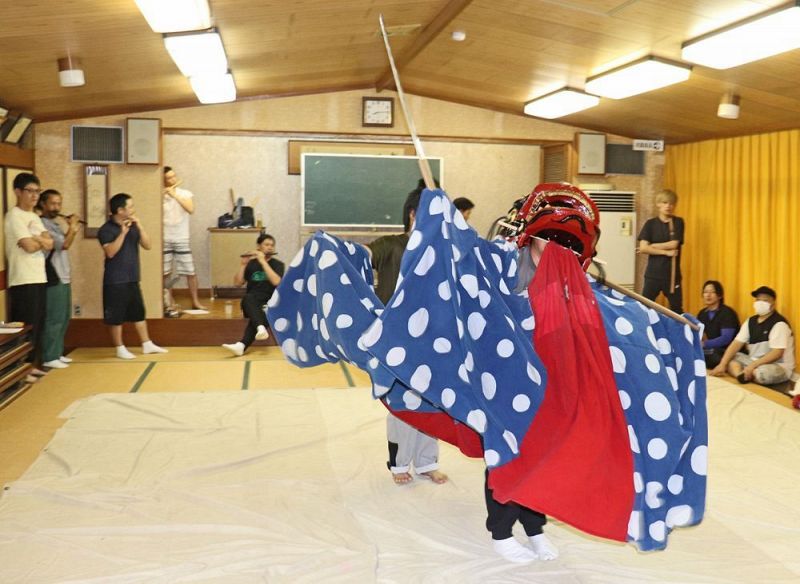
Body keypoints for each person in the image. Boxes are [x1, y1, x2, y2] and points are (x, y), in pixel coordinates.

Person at [366, 180, 448, 486]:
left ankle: (428, 462)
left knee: (433, 402)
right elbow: (363, 255)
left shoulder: (440, 251)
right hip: (397, 340)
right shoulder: (391, 245)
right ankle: (399, 466)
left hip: (434, 337)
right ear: (413, 214)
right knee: (401, 403)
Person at [98, 193, 168, 359]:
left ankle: (146, 343)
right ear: (120, 210)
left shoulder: (133, 226)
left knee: (138, 312)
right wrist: (122, 233)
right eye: (130, 206)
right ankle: (120, 347)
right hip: (115, 280)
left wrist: (140, 225)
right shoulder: (106, 230)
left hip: (132, 277)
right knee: (116, 316)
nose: (133, 209)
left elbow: (148, 245)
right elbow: (110, 252)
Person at [4, 173, 53, 381]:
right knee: (26, 324)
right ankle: (21, 368)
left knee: (39, 323)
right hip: (23, 279)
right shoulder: (14, 216)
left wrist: (39, 240)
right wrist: (38, 240)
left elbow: (49, 243)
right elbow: (29, 246)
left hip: (39, 276)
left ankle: (33, 365)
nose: (34, 196)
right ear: (17, 192)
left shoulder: (34, 217)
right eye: (30, 191)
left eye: (37, 191)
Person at [710, 286, 795, 386]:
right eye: (758, 300)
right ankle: (741, 376)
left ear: (773, 304)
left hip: (777, 365)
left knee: (762, 373)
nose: (760, 303)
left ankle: (747, 373)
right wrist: (722, 364)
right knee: (728, 358)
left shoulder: (779, 323)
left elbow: (777, 353)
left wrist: (752, 366)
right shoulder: (750, 321)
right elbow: (736, 343)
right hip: (753, 362)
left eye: (765, 300)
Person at [38, 189, 81, 369]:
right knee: (54, 317)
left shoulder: (54, 223)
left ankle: (57, 352)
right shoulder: (42, 224)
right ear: (43, 204)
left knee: (63, 316)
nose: (56, 207)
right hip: (53, 276)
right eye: (53, 203)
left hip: (63, 275)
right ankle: (49, 356)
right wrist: (73, 228)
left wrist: (70, 229)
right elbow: (64, 244)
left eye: (58, 204)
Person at [222, 233, 284, 356]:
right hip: (252, 302)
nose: (270, 248)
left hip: (270, 301)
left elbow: (277, 282)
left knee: (266, 310)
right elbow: (238, 283)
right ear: (258, 247)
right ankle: (260, 327)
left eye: (272, 245)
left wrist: (263, 262)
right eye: (266, 245)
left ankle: (242, 345)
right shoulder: (251, 264)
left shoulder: (278, 264)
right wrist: (243, 265)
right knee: (248, 298)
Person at [162, 166, 205, 313]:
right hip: (164, 238)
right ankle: (170, 302)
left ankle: (195, 301)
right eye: (169, 178)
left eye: (174, 176)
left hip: (181, 237)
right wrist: (162, 195)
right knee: (165, 273)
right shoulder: (159, 195)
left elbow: (190, 209)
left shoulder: (185, 193)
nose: (173, 180)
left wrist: (174, 195)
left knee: (190, 271)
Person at [637, 189, 684, 312]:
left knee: (677, 309)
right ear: (658, 204)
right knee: (644, 306)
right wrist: (666, 252)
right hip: (653, 274)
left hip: (672, 275)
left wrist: (651, 246)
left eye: (671, 203)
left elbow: (674, 244)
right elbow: (642, 248)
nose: (668, 206)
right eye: (664, 202)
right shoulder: (650, 224)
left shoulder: (678, 222)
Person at [697, 280, 740, 369]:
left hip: (725, 350)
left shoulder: (727, 313)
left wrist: (704, 344)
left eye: (712, 292)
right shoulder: (702, 314)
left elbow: (726, 339)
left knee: (712, 355)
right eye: (705, 292)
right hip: (709, 349)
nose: (708, 295)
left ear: (720, 295)